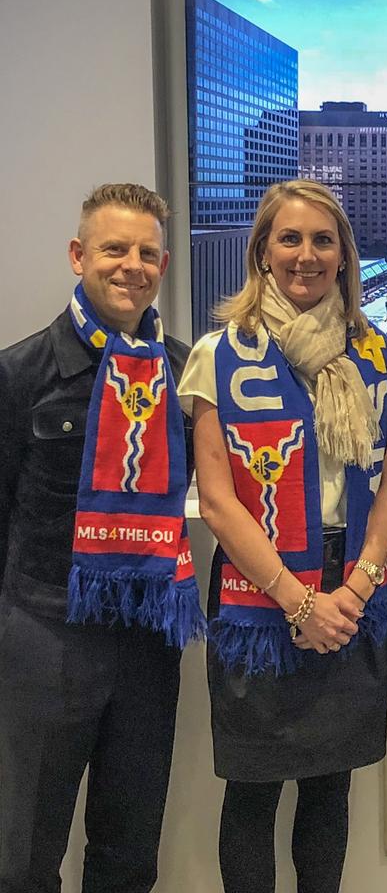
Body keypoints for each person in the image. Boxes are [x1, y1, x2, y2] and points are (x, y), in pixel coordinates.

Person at [179, 179, 387, 893]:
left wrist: (357, 584)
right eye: (290, 238)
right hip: (261, 590)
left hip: (352, 589)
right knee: (253, 788)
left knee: (329, 787)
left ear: (343, 256)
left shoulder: (377, 354)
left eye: (322, 240)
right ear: (262, 252)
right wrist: (298, 602)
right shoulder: (218, 353)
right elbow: (217, 501)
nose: (306, 255)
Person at [0, 182, 203, 893]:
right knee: (23, 855)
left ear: (164, 263)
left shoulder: (183, 374)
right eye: (114, 249)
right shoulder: (18, 373)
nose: (131, 265)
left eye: (148, 252)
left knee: (127, 854)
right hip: (45, 633)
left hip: (147, 644)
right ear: (78, 255)